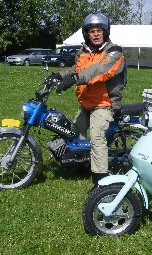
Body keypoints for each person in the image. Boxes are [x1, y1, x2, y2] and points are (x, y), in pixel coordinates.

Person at [45, 13, 126, 185]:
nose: (96, 34)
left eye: (99, 31)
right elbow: (76, 69)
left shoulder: (114, 52)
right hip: (86, 104)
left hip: (104, 104)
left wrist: (73, 79)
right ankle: (79, 165)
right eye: (92, 31)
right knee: (74, 133)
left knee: (97, 137)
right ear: (86, 34)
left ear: (105, 32)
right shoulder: (84, 52)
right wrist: (58, 75)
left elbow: (100, 70)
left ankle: (101, 180)